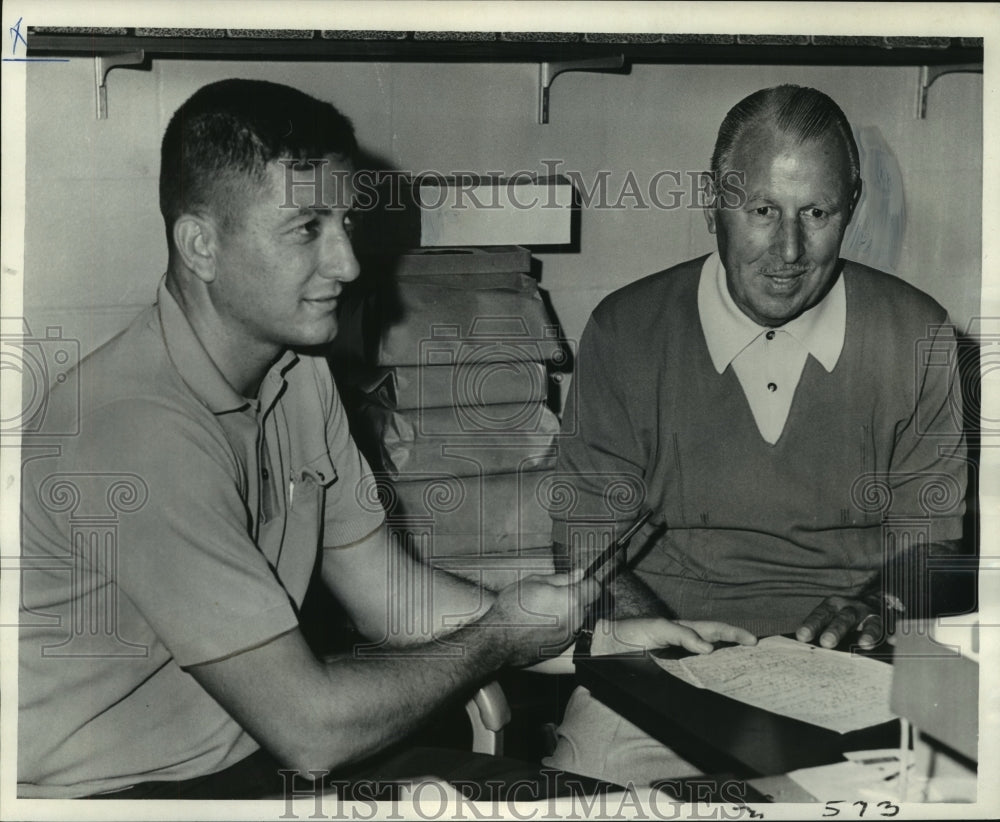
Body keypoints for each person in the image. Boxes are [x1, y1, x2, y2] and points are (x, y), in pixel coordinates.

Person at [17, 78, 753, 800]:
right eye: (307, 229)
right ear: (201, 244)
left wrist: (597, 639)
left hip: (258, 766)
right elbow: (311, 732)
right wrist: (499, 636)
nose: (347, 263)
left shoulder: (296, 367)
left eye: (344, 224)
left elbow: (386, 597)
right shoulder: (140, 426)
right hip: (125, 795)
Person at [543, 84, 968, 787]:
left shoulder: (919, 334)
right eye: (763, 211)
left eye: (818, 213)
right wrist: (679, 660)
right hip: (664, 676)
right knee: (586, 790)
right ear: (715, 199)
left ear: (852, 207)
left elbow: (930, 541)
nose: (790, 250)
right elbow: (586, 537)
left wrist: (877, 605)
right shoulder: (627, 329)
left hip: (860, 679)